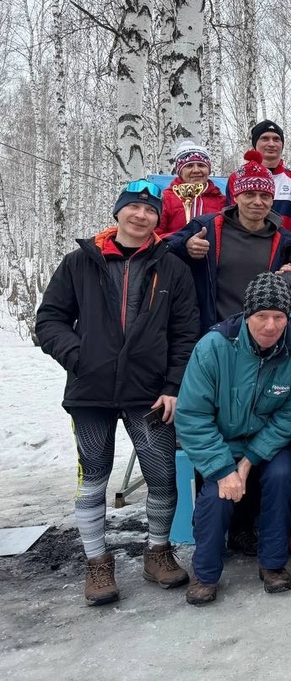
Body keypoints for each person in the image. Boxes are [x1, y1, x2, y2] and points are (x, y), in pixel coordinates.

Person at [36, 180, 199, 606]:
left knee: (162, 478)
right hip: (90, 391)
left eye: (150, 211)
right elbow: (49, 319)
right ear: (118, 212)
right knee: (94, 478)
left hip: (149, 393)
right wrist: (78, 354)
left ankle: (158, 552)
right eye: (133, 208)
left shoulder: (172, 267)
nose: (141, 216)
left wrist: (173, 386)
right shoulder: (79, 263)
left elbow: (185, 333)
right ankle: (96, 562)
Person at [175, 273, 291, 605]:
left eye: (279, 317)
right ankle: (206, 572)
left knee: (282, 477)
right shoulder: (214, 346)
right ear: (246, 314)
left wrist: (249, 461)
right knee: (215, 495)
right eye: (261, 316)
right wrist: (224, 467)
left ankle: (272, 564)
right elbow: (192, 415)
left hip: (270, 441)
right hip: (221, 440)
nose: (270, 326)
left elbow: (289, 416)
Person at [169, 150, 291, 334]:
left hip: (261, 336)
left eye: (265, 196)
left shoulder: (283, 239)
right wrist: (185, 246)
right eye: (250, 194)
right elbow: (165, 248)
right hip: (213, 334)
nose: (257, 202)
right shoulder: (208, 227)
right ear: (236, 197)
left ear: (272, 200)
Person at [228, 120, 291, 239]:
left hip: (286, 248)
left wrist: (288, 246)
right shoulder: (237, 178)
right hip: (247, 245)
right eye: (265, 138)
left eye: (276, 139)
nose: (271, 144)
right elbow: (232, 216)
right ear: (255, 144)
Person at [157, 141, 226, 236]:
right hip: (173, 250)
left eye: (201, 165)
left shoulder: (221, 200)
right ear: (179, 171)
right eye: (189, 166)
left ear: (209, 170)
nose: (196, 170)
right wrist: (182, 242)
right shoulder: (167, 198)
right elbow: (155, 235)